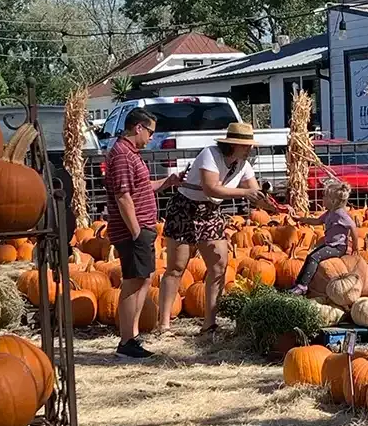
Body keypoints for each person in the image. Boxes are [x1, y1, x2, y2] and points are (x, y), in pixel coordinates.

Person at [158, 121, 269, 335]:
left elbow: (254, 191)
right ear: (232, 144)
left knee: (219, 265)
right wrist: (246, 194)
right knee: (176, 267)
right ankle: (164, 325)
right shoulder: (210, 154)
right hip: (185, 209)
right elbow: (212, 187)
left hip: (211, 212)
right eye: (245, 145)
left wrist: (268, 203)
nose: (249, 149)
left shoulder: (243, 165)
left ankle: (209, 324)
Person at [104, 107, 179, 361]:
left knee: (143, 279)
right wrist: (136, 231)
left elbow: (141, 188)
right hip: (133, 231)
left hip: (143, 228)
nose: (151, 138)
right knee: (133, 283)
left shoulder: (130, 154)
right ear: (138, 127)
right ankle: (126, 341)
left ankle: (132, 336)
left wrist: (167, 183)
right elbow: (123, 196)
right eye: (150, 132)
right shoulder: (123, 156)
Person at [289, 181, 358, 295]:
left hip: (338, 247)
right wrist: (301, 219)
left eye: (324, 196)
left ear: (333, 201)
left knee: (314, 257)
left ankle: (303, 286)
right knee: (310, 256)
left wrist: (356, 247)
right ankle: (298, 283)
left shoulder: (341, 214)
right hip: (330, 245)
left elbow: (353, 226)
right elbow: (317, 221)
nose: (323, 199)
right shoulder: (330, 212)